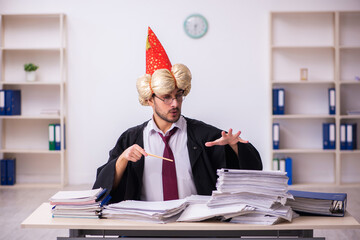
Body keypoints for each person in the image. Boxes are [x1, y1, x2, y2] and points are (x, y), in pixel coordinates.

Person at [93, 27, 262, 203]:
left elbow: (252, 173)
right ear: (150, 99)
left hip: (196, 224)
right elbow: (101, 188)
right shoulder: (131, 139)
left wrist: (235, 148)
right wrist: (122, 159)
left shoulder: (205, 136)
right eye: (166, 97)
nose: (175, 103)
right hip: (146, 226)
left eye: (178, 96)